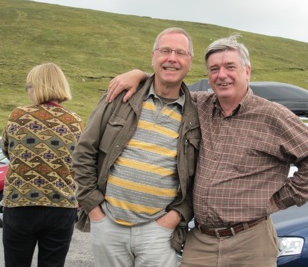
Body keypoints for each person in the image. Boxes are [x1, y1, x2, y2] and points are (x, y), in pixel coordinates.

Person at [106, 35, 308, 266]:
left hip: (251, 240)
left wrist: (279, 200)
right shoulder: (198, 105)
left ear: (247, 71)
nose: (221, 75)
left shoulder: (272, 115)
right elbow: (166, 86)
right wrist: (140, 75)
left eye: (229, 67)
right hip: (201, 240)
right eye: (214, 69)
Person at [71, 27, 200, 267]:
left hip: (159, 232)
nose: (172, 58)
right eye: (165, 51)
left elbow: (201, 175)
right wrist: (94, 210)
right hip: (108, 223)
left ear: (189, 63)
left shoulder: (197, 113)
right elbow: (84, 151)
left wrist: (175, 216)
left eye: (180, 53)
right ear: (153, 56)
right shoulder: (120, 96)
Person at [1, 63, 84, 267]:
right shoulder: (75, 121)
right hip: (61, 206)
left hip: (21, 203)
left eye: (29, 86)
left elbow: (7, 151)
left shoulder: (18, 116)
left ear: (36, 86)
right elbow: (80, 161)